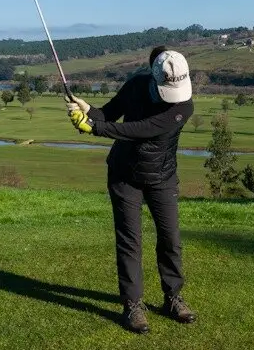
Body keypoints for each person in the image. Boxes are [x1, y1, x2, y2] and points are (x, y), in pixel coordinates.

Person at [66, 47, 196, 334]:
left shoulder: (183, 106)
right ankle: (133, 305)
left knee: (171, 238)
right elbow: (110, 114)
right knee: (130, 241)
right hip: (124, 174)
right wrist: (89, 112)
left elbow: (142, 128)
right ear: (153, 76)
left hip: (161, 176)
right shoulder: (137, 84)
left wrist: (94, 128)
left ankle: (173, 298)